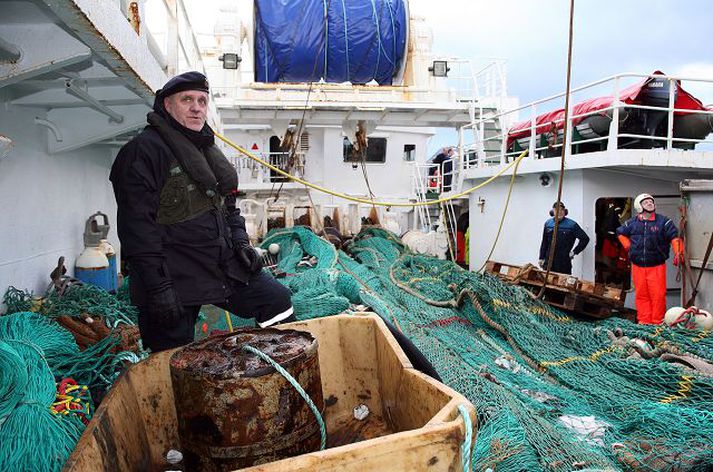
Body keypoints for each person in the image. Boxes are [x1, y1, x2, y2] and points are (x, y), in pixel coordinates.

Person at [110, 71, 294, 352]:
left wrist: (242, 243)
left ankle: (276, 369)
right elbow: (137, 230)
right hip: (172, 275)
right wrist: (158, 288)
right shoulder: (143, 151)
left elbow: (228, 207)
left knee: (276, 302)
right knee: (171, 356)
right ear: (167, 105)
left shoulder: (204, 147)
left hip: (220, 266)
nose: (197, 107)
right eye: (187, 100)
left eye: (202, 100)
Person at [617, 193, 683, 325]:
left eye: (651, 201)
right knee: (641, 296)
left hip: (657, 266)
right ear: (638, 206)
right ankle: (644, 322)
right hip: (638, 266)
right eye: (646, 202)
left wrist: (678, 253)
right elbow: (620, 233)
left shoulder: (664, 222)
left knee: (657, 296)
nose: (649, 203)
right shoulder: (631, 223)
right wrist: (629, 247)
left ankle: (657, 323)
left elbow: (674, 238)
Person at [538, 202, 590, 275]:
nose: (559, 212)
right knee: (548, 282)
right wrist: (541, 258)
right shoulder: (548, 224)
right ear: (553, 211)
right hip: (549, 261)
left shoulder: (572, 225)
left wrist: (574, 252)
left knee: (563, 283)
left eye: (561, 210)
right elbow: (544, 242)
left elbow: (585, 239)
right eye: (557, 210)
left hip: (563, 262)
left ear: (565, 211)